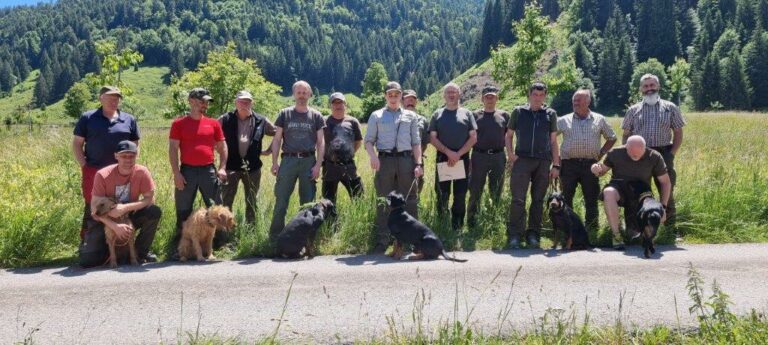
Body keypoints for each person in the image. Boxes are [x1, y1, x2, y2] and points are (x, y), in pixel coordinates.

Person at [79, 141, 162, 268]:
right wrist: (115, 226)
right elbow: (94, 210)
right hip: (105, 219)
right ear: (116, 156)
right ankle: (108, 252)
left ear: (137, 156)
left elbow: (149, 199)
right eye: (124, 156)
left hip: (129, 215)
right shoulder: (103, 174)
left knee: (154, 211)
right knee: (88, 261)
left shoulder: (142, 172)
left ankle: (140, 253)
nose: (128, 160)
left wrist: (125, 208)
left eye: (131, 156)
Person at [72, 86, 140, 241]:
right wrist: (84, 165)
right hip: (94, 170)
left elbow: (135, 145)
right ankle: (88, 242)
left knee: (122, 204)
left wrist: (131, 166)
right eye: (110, 98)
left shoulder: (129, 119)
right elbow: (77, 144)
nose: (114, 101)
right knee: (93, 205)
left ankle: (126, 242)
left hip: (121, 172)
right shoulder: (88, 118)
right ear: (100, 98)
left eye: (117, 98)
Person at [365, 81, 424, 254]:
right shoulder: (376, 115)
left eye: (396, 94)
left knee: (410, 200)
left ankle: (414, 240)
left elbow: (416, 142)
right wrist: (373, 156)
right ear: (385, 96)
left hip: (406, 160)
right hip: (385, 161)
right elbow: (368, 141)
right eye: (390, 94)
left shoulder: (410, 116)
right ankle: (383, 239)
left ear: (401, 96)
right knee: (384, 200)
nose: (393, 97)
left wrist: (418, 163)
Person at [622, 74, 685, 232]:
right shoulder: (632, 110)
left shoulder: (670, 108)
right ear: (641, 89)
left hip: (664, 153)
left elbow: (678, 132)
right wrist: (627, 155)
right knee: (637, 193)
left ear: (658, 86)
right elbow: (626, 135)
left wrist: (672, 153)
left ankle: (670, 229)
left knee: (667, 191)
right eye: (645, 86)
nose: (649, 89)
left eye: (652, 85)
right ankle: (635, 230)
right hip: (639, 155)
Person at [169, 88, 228, 255]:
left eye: (207, 102)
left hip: (208, 170)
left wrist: (222, 167)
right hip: (186, 171)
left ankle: (219, 245)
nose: (206, 105)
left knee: (215, 208)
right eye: (203, 101)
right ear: (192, 101)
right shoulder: (178, 124)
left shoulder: (213, 123)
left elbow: (222, 146)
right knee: (183, 209)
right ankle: (181, 248)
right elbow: (173, 149)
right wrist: (176, 173)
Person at [505, 82, 560, 249]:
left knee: (538, 200)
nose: (537, 98)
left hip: (543, 161)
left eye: (541, 95)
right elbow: (508, 136)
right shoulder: (518, 112)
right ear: (529, 95)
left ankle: (533, 234)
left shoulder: (550, 114)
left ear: (545, 96)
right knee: (518, 199)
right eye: (535, 94)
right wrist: (511, 155)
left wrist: (556, 165)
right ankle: (515, 235)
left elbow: (553, 141)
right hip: (522, 160)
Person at [591, 135, 671, 249]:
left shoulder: (654, 156)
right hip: (619, 188)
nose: (636, 156)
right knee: (608, 192)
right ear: (626, 147)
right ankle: (616, 235)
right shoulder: (615, 153)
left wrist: (663, 207)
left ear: (645, 148)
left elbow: (665, 182)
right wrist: (595, 168)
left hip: (641, 192)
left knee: (633, 234)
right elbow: (601, 170)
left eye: (639, 153)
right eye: (632, 153)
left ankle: (645, 233)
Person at [269, 81, 326, 238]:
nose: (302, 95)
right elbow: (277, 140)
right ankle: (275, 237)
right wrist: (274, 163)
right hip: (288, 161)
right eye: (299, 92)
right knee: (281, 201)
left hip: (308, 162)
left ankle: (305, 238)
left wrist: (318, 166)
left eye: (305, 92)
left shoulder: (316, 116)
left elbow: (321, 142)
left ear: (309, 94)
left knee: (308, 202)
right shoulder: (284, 114)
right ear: (294, 94)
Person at [556, 89, 617, 233]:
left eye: (579, 100)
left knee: (591, 198)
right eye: (574, 100)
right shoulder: (563, 120)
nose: (575, 103)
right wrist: (556, 158)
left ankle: (592, 230)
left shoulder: (599, 119)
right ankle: (568, 229)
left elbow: (612, 137)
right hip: (568, 164)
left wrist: (601, 154)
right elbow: (550, 138)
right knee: (566, 197)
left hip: (591, 165)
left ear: (588, 101)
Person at [218, 90, 276, 224]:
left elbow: (279, 132)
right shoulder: (225, 118)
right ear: (236, 102)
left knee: (252, 200)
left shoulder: (261, 120)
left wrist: (269, 150)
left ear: (252, 103)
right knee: (226, 201)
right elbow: (211, 132)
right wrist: (218, 148)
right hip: (230, 167)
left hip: (253, 168)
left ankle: (250, 229)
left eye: (247, 101)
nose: (244, 103)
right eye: (241, 101)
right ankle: (225, 231)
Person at [429, 82, 477, 232]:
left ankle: (457, 227)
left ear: (459, 94)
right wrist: (449, 152)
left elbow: (473, 137)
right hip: (443, 158)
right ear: (444, 95)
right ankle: (443, 225)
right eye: (448, 92)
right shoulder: (437, 114)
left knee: (460, 194)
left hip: (462, 159)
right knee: (442, 194)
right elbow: (432, 138)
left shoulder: (467, 114)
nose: (451, 94)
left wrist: (458, 154)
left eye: (454, 92)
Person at [467, 86, 509, 228]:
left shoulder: (504, 115)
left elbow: (509, 137)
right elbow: (469, 137)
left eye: (492, 96)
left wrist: (510, 156)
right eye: (487, 96)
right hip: (479, 156)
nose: (490, 99)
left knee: (497, 190)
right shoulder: (474, 115)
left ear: (497, 98)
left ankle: (494, 221)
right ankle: (472, 222)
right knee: (475, 190)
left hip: (499, 156)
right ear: (482, 99)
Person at [322, 92, 364, 204]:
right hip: (329, 166)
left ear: (345, 104)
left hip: (349, 166)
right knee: (328, 201)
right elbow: (318, 141)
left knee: (358, 198)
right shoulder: (323, 121)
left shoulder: (353, 122)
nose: (338, 106)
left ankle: (357, 220)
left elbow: (358, 141)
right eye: (334, 103)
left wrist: (349, 153)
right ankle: (331, 221)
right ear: (330, 106)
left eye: (340, 103)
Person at [403, 89, 430, 195]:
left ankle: (415, 209)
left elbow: (425, 142)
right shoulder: (396, 119)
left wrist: (417, 153)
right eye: (407, 99)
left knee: (417, 186)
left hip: (417, 161)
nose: (410, 101)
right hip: (400, 159)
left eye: (413, 99)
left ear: (416, 102)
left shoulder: (423, 120)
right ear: (402, 101)